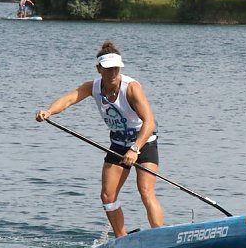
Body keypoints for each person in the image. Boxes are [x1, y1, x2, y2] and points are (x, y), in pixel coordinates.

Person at [35, 41, 164, 237]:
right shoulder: (93, 87)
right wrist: (48, 111)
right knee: (107, 196)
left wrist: (135, 149)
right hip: (118, 145)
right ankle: (122, 239)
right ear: (98, 69)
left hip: (143, 142)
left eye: (116, 69)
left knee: (145, 190)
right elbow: (69, 99)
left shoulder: (131, 88)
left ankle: (161, 236)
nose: (113, 74)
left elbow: (149, 122)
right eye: (108, 69)